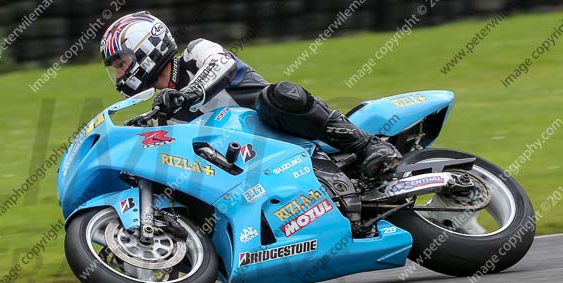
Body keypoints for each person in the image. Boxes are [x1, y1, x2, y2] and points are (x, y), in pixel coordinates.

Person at [99, 11, 401, 182]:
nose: (121, 75)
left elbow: (223, 65)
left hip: (282, 129)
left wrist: (188, 93)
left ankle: (367, 145)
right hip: (248, 167)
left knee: (278, 94)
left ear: (146, 49)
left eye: (122, 64)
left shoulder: (195, 52)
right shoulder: (163, 110)